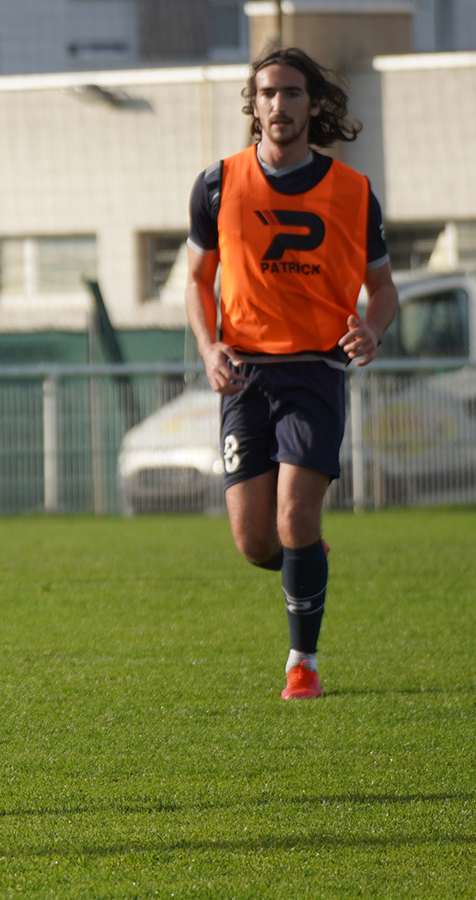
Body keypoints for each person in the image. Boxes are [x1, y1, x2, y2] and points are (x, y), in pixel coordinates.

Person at [184, 47, 399, 700]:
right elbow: (197, 281)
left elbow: (385, 290)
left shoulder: (353, 193)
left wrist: (372, 327)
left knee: (294, 516)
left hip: (315, 372)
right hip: (244, 374)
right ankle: (306, 559)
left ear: (314, 104)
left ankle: (301, 663)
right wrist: (209, 348)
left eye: (293, 93)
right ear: (255, 106)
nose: (280, 104)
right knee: (256, 542)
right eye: (269, 93)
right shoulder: (218, 184)